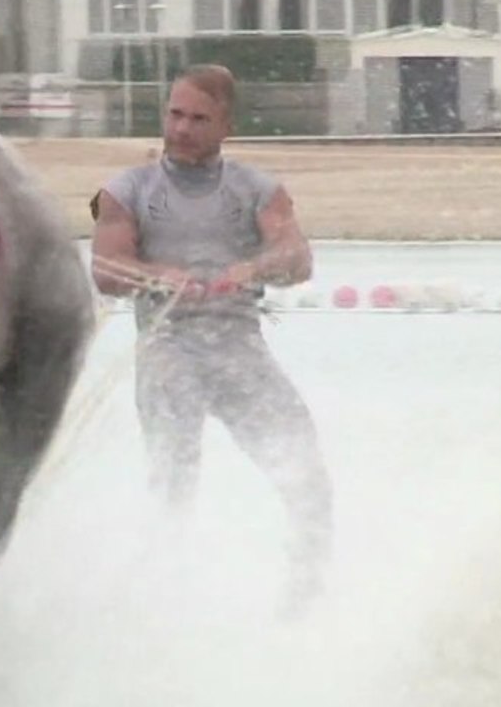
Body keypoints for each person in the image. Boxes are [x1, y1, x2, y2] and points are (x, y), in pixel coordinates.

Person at [90, 64, 333, 615]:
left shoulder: (260, 190)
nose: (182, 128)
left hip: (238, 348)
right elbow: (105, 269)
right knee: (174, 480)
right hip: (168, 347)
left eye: (199, 119)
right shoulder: (123, 191)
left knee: (307, 472)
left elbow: (297, 259)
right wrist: (159, 276)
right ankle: (164, 597)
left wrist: (253, 268)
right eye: (175, 114)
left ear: (227, 126)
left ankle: (307, 595)